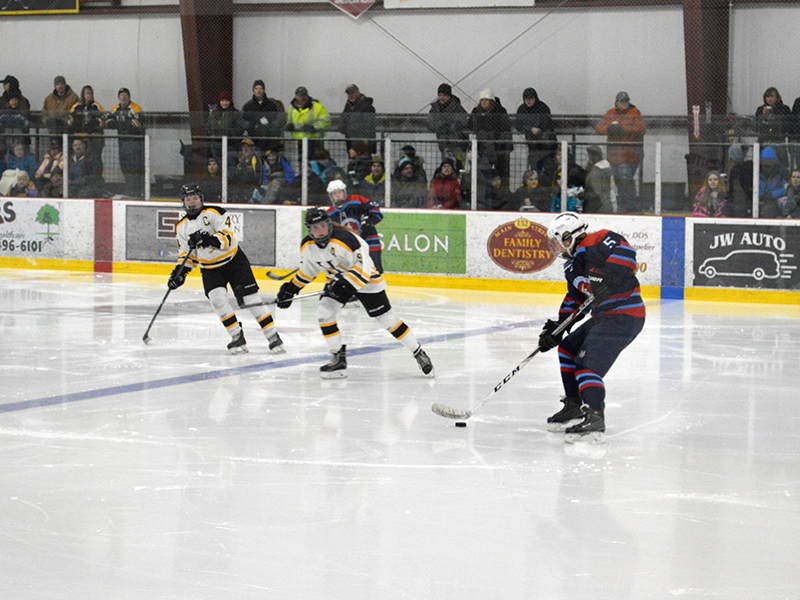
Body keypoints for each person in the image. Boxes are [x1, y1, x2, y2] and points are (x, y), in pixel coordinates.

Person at [275, 206, 433, 379]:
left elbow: (364, 268)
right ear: (309, 230)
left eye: (322, 226)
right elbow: (308, 270)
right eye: (314, 228)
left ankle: (418, 352)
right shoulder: (308, 246)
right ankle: (338, 358)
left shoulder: (346, 239)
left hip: (367, 280)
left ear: (328, 224)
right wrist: (291, 289)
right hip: (338, 282)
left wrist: (346, 284)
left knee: (387, 320)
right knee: (324, 313)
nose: (319, 231)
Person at [539, 211, 645, 442]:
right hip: (603, 317)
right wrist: (557, 328)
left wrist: (609, 276)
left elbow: (626, 253)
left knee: (587, 365)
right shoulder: (572, 267)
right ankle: (574, 406)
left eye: (558, 242)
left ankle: (595, 416)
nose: (556, 248)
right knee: (567, 348)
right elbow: (575, 300)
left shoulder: (597, 240)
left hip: (625, 315)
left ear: (570, 237)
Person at [168, 183, 286, 355]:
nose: (192, 202)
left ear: (201, 199)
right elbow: (187, 255)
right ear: (183, 203)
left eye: (195, 198)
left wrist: (207, 239)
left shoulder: (216, 213)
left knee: (251, 300)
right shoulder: (181, 227)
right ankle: (236, 336)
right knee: (217, 301)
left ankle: (272, 336)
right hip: (210, 270)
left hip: (234, 263)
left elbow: (228, 239)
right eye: (188, 199)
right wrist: (180, 273)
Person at [595, 91, 646, 214]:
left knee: (625, 179)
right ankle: (626, 205)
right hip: (615, 156)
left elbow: (641, 128)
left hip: (629, 156)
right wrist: (609, 129)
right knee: (620, 180)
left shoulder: (634, 113)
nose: (625, 104)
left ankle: (629, 205)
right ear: (617, 103)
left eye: (626, 101)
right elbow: (599, 128)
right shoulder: (611, 113)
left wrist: (622, 130)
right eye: (622, 101)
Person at [326, 178, 384, 272]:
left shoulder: (356, 200)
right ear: (331, 196)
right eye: (334, 194)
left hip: (370, 241)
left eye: (339, 192)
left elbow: (376, 210)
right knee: (355, 274)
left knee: (376, 270)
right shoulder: (330, 214)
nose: (338, 196)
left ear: (344, 192)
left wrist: (370, 221)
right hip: (351, 249)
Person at [469, 88, 513, 186]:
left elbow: (505, 130)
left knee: (501, 175)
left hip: (499, 149)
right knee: (484, 174)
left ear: (492, 102)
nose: (484, 103)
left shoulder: (500, 112)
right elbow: (470, 126)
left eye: (486, 100)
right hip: (483, 150)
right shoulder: (476, 112)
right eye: (482, 101)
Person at [105, 87, 144, 197]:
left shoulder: (135, 108)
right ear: (118, 97)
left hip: (134, 141)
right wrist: (124, 123)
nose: (123, 97)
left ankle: (136, 190)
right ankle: (129, 188)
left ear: (129, 97)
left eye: (125, 95)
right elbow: (108, 120)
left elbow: (138, 123)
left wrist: (122, 123)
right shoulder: (115, 108)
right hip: (121, 141)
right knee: (124, 165)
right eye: (121, 95)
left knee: (134, 166)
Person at [515, 87, 557, 172]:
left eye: (531, 99)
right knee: (535, 170)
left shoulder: (543, 108)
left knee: (550, 170)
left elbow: (547, 125)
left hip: (546, 145)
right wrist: (530, 129)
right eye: (526, 99)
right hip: (533, 145)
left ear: (535, 98)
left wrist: (535, 130)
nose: (528, 101)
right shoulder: (522, 109)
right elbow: (518, 125)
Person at [427, 83, 469, 165]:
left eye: (444, 95)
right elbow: (430, 124)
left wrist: (452, 127)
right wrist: (440, 126)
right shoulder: (435, 108)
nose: (441, 98)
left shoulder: (457, 108)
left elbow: (464, 121)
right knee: (447, 166)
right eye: (439, 95)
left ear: (449, 96)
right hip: (444, 143)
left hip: (459, 143)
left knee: (459, 167)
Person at [286, 86, 330, 162]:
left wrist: (314, 127)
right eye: (300, 96)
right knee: (302, 162)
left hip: (315, 140)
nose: (303, 98)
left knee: (315, 164)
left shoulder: (317, 107)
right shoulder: (291, 109)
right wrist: (289, 125)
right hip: (300, 141)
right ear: (296, 97)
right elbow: (289, 120)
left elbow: (326, 121)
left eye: (304, 95)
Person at [241, 79, 286, 154]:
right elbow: (243, 121)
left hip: (270, 139)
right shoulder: (248, 106)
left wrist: (271, 125)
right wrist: (252, 125)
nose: (258, 91)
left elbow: (280, 118)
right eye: (256, 89)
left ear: (264, 90)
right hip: (254, 140)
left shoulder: (272, 104)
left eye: (261, 88)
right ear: (253, 90)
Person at [205, 91, 247, 167]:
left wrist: (229, 134)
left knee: (230, 164)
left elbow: (240, 128)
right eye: (222, 101)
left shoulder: (235, 113)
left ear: (230, 102)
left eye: (226, 101)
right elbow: (208, 126)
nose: (224, 103)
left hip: (230, 145)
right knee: (218, 164)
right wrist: (213, 134)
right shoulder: (214, 114)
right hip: (216, 144)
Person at [68, 85, 105, 167]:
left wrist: (92, 121)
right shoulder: (77, 106)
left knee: (95, 160)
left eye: (90, 93)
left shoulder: (96, 106)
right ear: (83, 95)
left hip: (94, 138)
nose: (89, 95)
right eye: (87, 93)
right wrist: (80, 119)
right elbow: (70, 119)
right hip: (80, 138)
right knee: (81, 160)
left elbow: (102, 119)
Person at [755, 87, 791, 170]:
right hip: (764, 140)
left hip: (778, 140)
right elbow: (756, 127)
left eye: (772, 96)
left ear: (777, 97)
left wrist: (773, 116)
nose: (769, 99)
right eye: (767, 97)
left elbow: (786, 126)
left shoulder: (784, 109)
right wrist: (763, 117)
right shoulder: (760, 109)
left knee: (781, 158)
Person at [338, 84, 377, 154]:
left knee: (364, 161)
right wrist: (343, 129)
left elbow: (368, 125)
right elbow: (342, 122)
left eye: (352, 93)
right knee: (352, 161)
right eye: (348, 93)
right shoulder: (348, 107)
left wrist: (350, 130)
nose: (351, 95)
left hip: (364, 143)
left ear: (358, 92)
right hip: (350, 141)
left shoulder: (367, 106)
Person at [582, 145, 614, 214]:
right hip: (606, 205)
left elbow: (597, 192)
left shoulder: (596, 172)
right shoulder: (604, 169)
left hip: (597, 207)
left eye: (587, 155)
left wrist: (581, 195)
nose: (586, 157)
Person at [229, 138, 263, 203]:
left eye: (248, 147)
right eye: (244, 147)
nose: (245, 149)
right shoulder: (239, 161)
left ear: (252, 149)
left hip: (251, 192)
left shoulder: (255, 160)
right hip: (239, 191)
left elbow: (259, 178)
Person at [758, 146, 788, 218]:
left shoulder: (780, 177)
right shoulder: (757, 177)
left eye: (769, 166)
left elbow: (786, 188)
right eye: (764, 165)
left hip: (775, 207)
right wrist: (762, 195)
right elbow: (754, 191)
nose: (766, 169)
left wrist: (772, 194)